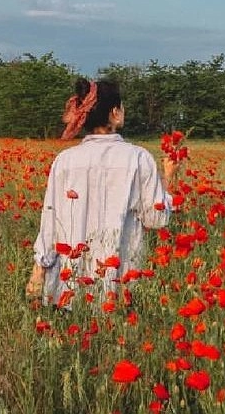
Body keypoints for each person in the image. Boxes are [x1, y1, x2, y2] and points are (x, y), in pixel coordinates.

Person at [25, 77, 177, 309]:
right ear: (115, 113)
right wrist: (169, 177)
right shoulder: (138, 158)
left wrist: (38, 273)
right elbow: (156, 218)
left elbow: (50, 222)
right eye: (122, 107)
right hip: (119, 288)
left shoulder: (64, 161)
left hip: (70, 290)